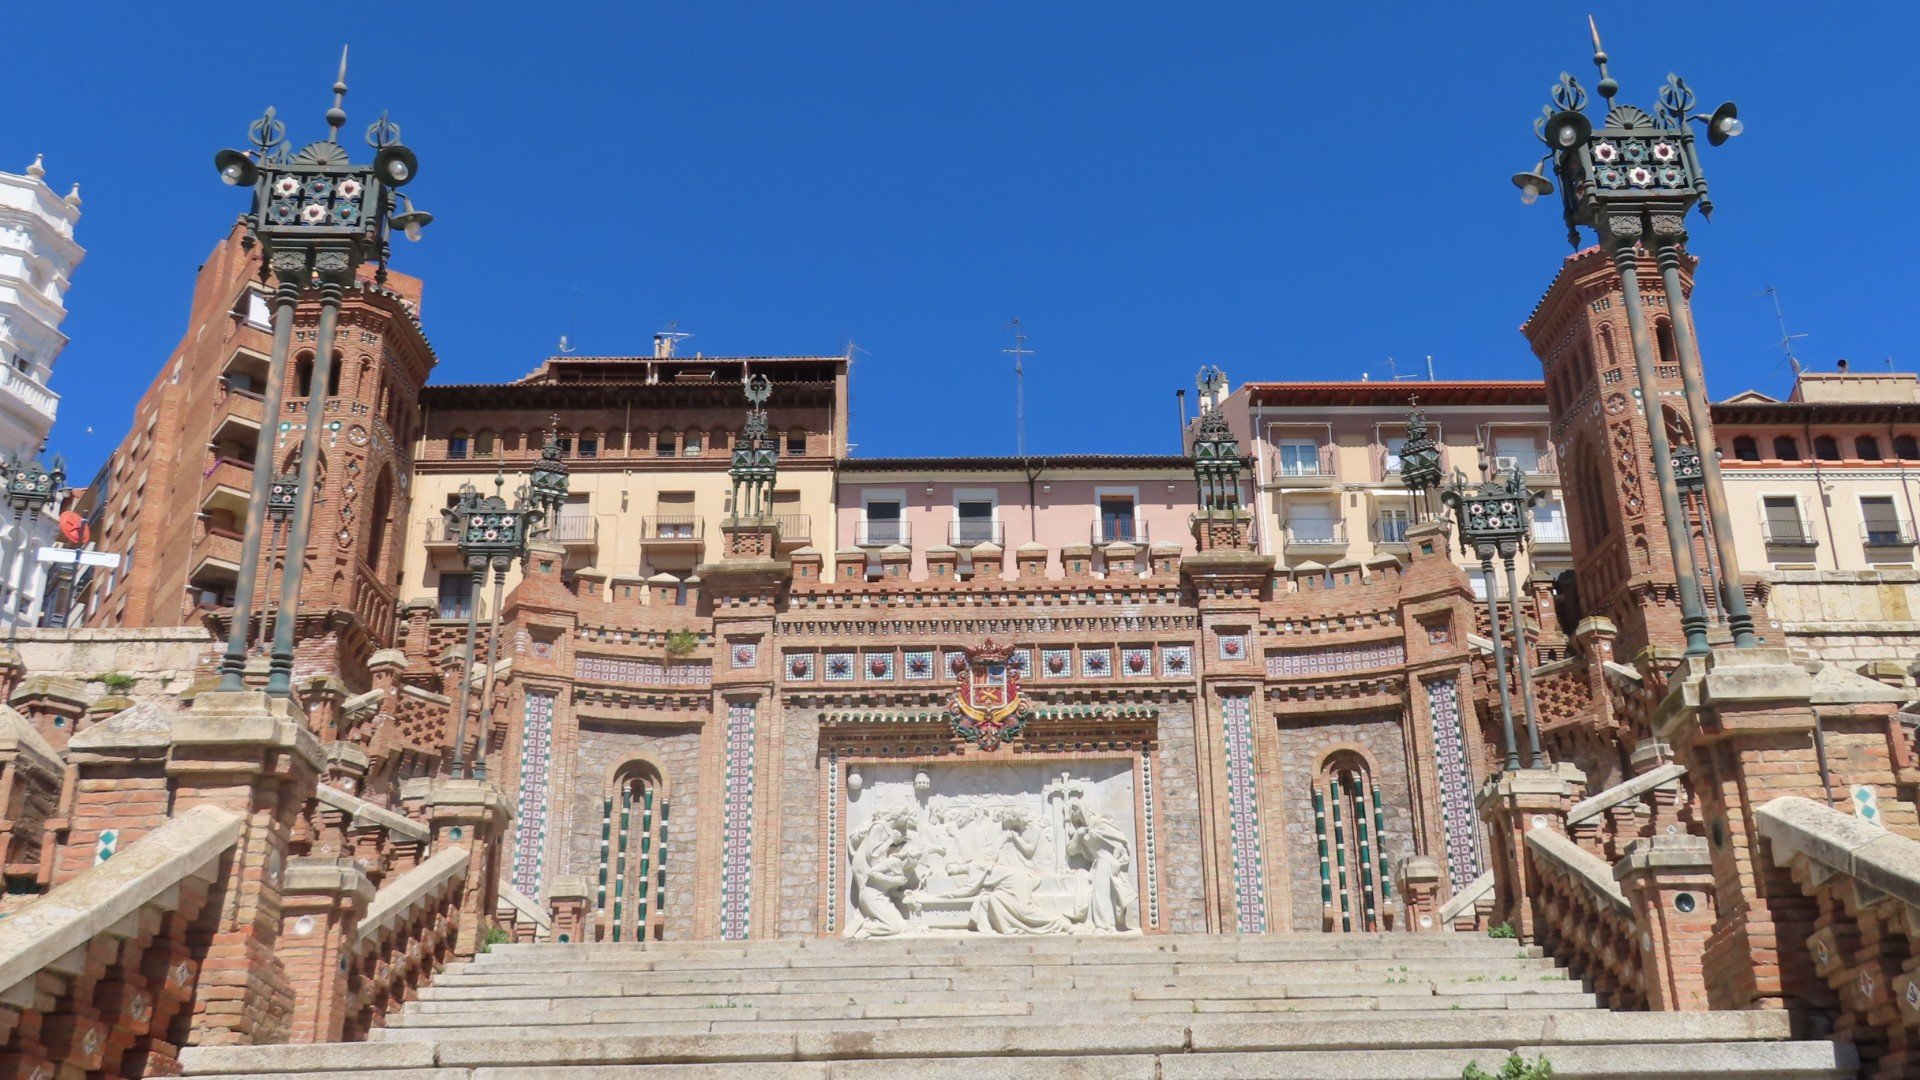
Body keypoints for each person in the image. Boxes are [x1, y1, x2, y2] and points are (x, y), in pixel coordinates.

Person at [1067, 798, 1138, 932]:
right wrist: (1078, 835)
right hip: (1097, 863)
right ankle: (1102, 924)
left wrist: (1116, 859)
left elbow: (1119, 842)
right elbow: (1071, 850)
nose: (1073, 814)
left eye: (1075, 810)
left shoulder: (1099, 822)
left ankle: (1105, 926)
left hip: (1107, 860)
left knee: (1101, 893)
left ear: (1082, 810)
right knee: (1095, 893)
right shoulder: (1083, 829)